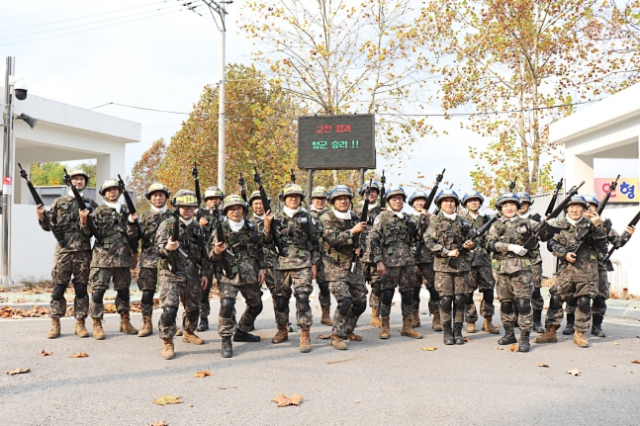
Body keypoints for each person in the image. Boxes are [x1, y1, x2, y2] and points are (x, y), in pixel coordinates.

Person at [536, 194, 607, 348]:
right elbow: (550, 243)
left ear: (584, 209)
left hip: (587, 271)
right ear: (567, 208)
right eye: (571, 206)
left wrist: (598, 227)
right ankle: (550, 331)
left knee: (584, 301)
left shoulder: (593, 224)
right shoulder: (559, 225)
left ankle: (579, 333)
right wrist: (564, 254)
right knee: (556, 298)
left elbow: (603, 246)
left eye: (578, 206)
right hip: (566, 270)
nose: (575, 209)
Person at [38, 169, 97, 339]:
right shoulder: (59, 202)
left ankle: (80, 323)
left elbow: (93, 232)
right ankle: (55, 322)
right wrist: (41, 218)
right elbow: (48, 227)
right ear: (69, 182)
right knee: (58, 289)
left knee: (80, 289)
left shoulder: (90, 203)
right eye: (75, 179)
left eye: (81, 179)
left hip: (83, 252)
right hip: (63, 252)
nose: (79, 182)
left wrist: (85, 222)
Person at [486, 192, 549, 352]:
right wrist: (508, 247)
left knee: (523, 304)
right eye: (505, 205)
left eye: (512, 205)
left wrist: (547, 225)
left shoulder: (528, 222)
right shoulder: (497, 225)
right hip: (502, 269)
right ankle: (509, 334)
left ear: (518, 207)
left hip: (522, 269)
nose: (509, 208)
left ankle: (524, 338)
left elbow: (545, 236)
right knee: (506, 304)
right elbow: (489, 243)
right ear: (501, 208)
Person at [263, 183, 320, 353]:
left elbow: (315, 243)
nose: (293, 199)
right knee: (280, 299)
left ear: (301, 199)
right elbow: (266, 243)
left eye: (296, 196)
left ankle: (305, 334)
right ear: (284, 200)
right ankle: (282, 329)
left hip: (303, 263)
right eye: (290, 196)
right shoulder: (275, 219)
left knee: (302, 298)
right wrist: (267, 226)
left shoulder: (308, 218)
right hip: (281, 265)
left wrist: (314, 264)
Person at [155, 190, 209, 360]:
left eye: (190, 207)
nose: (187, 210)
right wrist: (167, 248)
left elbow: (203, 254)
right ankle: (167, 341)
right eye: (184, 207)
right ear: (177, 207)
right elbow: (158, 249)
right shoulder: (167, 225)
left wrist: (205, 273)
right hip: (170, 272)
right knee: (169, 308)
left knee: (193, 308)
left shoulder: (197, 229)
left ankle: (189, 332)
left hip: (191, 273)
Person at [83, 178, 139, 340]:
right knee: (98, 292)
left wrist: (134, 225)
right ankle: (97, 323)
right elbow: (87, 233)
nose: (112, 192)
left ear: (119, 192)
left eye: (115, 189)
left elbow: (134, 236)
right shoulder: (98, 212)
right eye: (109, 190)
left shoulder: (127, 211)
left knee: (123, 291)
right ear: (104, 193)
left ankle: (125, 321)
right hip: (102, 258)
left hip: (123, 257)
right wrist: (84, 221)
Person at [211, 195, 265, 358]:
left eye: (238, 208)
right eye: (232, 209)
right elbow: (211, 256)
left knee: (256, 305)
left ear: (243, 210)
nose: (235, 211)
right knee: (227, 305)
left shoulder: (251, 227)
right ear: (226, 211)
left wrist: (262, 268)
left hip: (249, 273)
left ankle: (242, 331)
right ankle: (226, 339)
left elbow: (259, 249)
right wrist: (216, 251)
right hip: (228, 273)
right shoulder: (220, 229)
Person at [319, 185, 368, 350]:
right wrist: (352, 232)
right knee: (345, 301)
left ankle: (348, 330)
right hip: (335, 266)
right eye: (339, 199)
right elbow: (332, 240)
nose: (343, 201)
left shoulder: (355, 218)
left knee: (360, 302)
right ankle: (337, 335)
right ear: (333, 201)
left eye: (346, 198)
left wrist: (361, 249)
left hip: (354, 266)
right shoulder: (326, 218)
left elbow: (363, 240)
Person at [369, 186, 422, 340]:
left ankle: (407, 326)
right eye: (394, 198)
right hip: (389, 262)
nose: (397, 201)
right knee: (387, 294)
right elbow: (374, 239)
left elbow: (415, 240)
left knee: (408, 294)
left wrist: (417, 230)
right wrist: (378, 261)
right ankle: (385, 326)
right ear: (388, 201)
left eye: (400, 198)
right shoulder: (382, 217)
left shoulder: (408, 219)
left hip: (407, 262)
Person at [425, 189, 473, 345]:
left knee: (460, 299)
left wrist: (471, 244)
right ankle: (447, 332)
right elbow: (429, 242)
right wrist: (446, 252)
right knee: (445, 300)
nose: (449, 203)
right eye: (446, 201)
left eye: (452, 201)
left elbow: (473, 239)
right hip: (443, 267)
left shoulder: (463, 221)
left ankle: (458, 331)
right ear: (440, 204)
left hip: (461, 267)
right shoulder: (434, 222)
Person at [583, 196, 635, 337]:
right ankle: (572, 325)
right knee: (579, 297)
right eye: (587, 205)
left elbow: (617, 242)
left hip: (599, 265)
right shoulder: (576, 224)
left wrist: (627, 235)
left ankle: (597, 326)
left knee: (600, 296)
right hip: (579, 265)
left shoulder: (604, 225)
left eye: (593, 206)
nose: (590, 208)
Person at [136, 182, 172, 337]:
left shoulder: (174, 216)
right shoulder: (143, 217)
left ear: (166, 197)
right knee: (147, 293)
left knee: (170, 295)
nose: (158, 198)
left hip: (169, 261)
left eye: (161, 195)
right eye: (154, 195)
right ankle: (147, 323)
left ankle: (170, 323)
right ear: (150, 198)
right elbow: (134, 238)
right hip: (148, 260)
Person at [461, 191, 499, 334]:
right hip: (467, 261)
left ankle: (488, 320)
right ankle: (470, 320)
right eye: (470, 201)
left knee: (488, 290)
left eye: (476, 200)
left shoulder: (487, 220)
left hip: (483, 260)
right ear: (466, 204)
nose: (474, 202)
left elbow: (493, 237)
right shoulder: (460, 220)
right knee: (467, 292)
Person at [408, 191, 441, 330]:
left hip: (429, 258)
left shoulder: (434, 218)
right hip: (413, 258)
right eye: (417, 200)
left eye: (423, 200)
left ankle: (436, 316)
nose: (420, 203)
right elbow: (409, 236)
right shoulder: (408, 218)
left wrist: (430, 220)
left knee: (433, 289)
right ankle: (414, 316)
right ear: (413, 203)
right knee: (414, 290)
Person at [353, 180, 384, 327]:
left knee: (377, 286)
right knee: (357, 288)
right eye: (368, 191)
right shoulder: (355, 210)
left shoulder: (382, 211)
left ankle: (375, 315)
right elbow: (350, 231)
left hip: (377, 255)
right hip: (360, 256)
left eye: (374, 191)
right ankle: (352, 319)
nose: (371, 193)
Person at [196, 186, 224, 332]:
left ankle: (228, 318)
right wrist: (199, 226)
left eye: (217, 198)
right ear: (206, 200)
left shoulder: (225, 214)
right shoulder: (199, 215)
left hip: (221, 259)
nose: (214, 201)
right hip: (205, 259)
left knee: (226, 289)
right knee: (204, 290)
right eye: (211, 199)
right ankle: (203, 319)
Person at [248, 190, 277, 331]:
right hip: (254, 264)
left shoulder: (275, 220)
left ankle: (282, 323)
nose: (259, 206)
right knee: (253, 296)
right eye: (255, 203)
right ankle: (248, 322)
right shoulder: (247, 223)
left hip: (271, 262)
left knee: (278, 294)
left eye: (261, 203)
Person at [516, 191, 544, 333]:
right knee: (516, 290)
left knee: (536, 291)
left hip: (533, 259)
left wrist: (546, 226)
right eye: (519, 203)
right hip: (514, 260)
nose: (522, 206)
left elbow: (545, 237)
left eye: (525, 203)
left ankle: (537, 321)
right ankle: (517, 317)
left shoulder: (535, 220)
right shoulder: (508, 221)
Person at [309, 186, 333, 326]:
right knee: (303, 288)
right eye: (317, 198)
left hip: (325, 256)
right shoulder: (306, 216)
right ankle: (302, 316)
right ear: (312, 199)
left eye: (323, 198)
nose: (320, 201)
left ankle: (325, 314)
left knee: (324, 286)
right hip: (307, 256)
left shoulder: (330, 215)